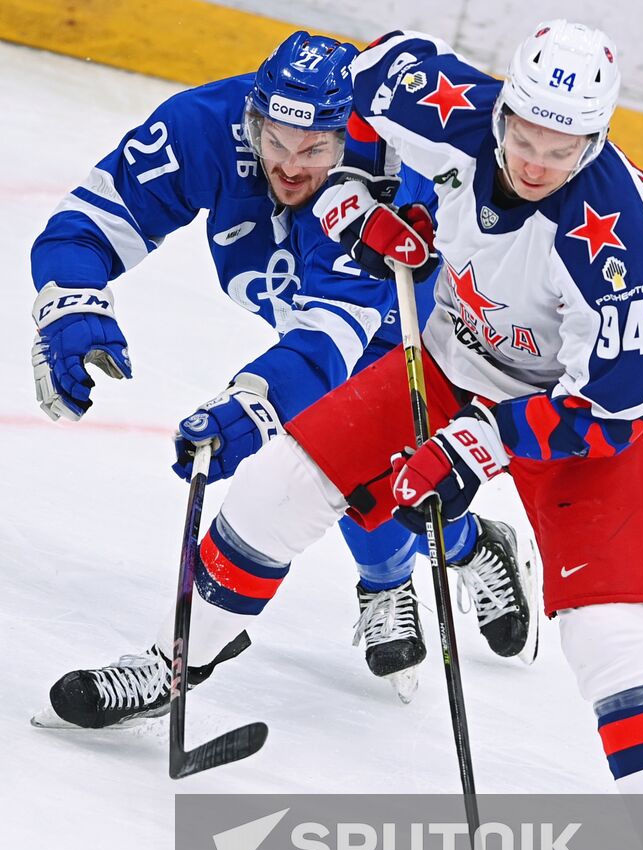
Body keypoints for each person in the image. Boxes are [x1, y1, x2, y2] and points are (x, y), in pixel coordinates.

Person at [37, 20, 643, 850]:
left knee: (611, 638)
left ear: (596, 138)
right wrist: (360, 203)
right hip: (451, 353)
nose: (537, 160)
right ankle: (179, 663)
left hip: (579, 422)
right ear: (503, 110)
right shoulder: (434, 99)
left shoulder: (623, 248)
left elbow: (615, 409)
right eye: (526, 135)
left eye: (563, 145)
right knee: (282, 486)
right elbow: (365, 81)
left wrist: (479, 443)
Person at [29, 31, 535, 710]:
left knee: (374, 478)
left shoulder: (376, 181)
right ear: (252, 120)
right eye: (274, 144)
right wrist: (71, 309)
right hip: (315, 324)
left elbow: (329, 344)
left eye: (314, 151)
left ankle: (411, 571)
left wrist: (252, 405)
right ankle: (452, 556)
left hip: (419, 322)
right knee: (343, 477)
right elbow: (85, 226)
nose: (291, 168)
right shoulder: (203, 127)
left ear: (343, 137)